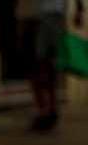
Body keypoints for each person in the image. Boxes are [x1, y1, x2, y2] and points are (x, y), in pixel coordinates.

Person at [17, 0, 85, 132]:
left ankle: (45, 109)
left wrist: (79, 10)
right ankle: (47, 108)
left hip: (44, 13)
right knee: (41, 63)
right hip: (38, 13)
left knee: (41, 63)